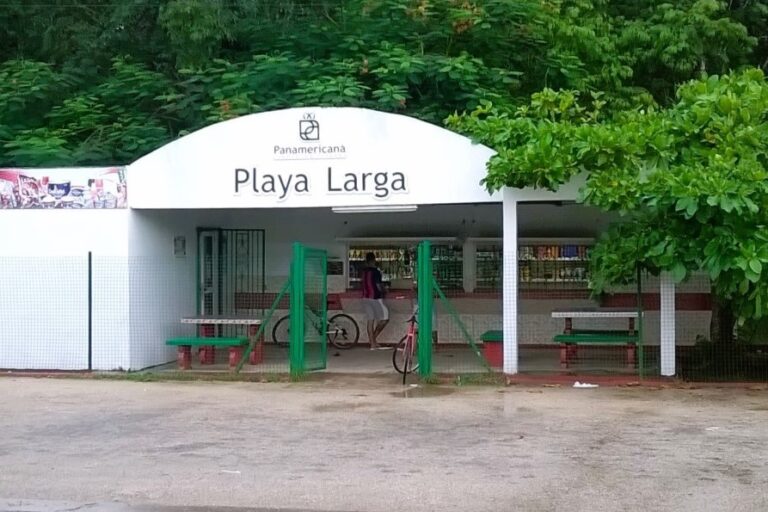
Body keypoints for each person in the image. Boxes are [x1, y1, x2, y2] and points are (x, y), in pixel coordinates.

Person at [361, 252, 390, 350]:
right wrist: (385, 290)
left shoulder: (364, 272)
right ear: (374, 260)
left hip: (365, 298)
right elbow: (378, 286)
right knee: (385, 319)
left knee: (370, 321)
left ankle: (372, 344)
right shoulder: (376, 272)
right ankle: (373, 340)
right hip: (376, 298)